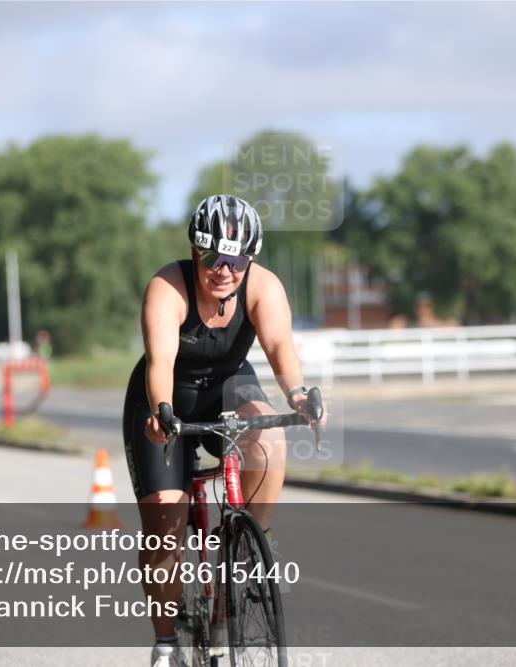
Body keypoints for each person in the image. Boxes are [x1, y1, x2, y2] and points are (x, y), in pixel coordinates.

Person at [122, 194, 321, 667]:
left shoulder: (263, 286)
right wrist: (162, 412)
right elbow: (160, 361)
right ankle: (166, 643)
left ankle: (255, 542)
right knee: (164, 526)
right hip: (165, 398)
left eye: (236, 260)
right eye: (212, 258)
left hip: (230, 385)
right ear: (195, 251)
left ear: (249, 259)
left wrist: (298, 396)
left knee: (268, 435)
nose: (224, 270)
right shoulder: (168, 287)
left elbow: (279, 346)